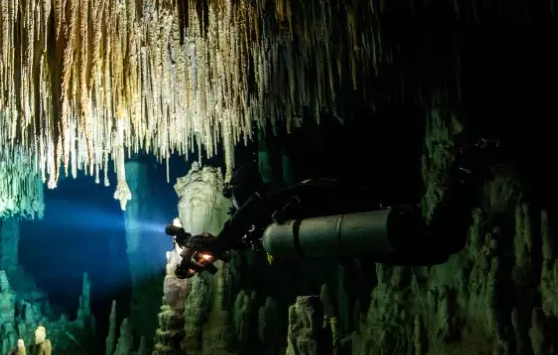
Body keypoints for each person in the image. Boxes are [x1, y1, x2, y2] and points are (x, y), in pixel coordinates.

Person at [166, 135, 504, 279]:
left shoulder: (252, 214)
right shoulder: (250, 232)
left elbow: (250, 209)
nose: (203, 255)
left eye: (200, 253)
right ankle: (467, 171)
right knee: (434, 247)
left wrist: (215, 241)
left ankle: (468, 166)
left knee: (435, 244)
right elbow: (244, 226)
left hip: (345, 213)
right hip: (349, 230)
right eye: (201, 257)